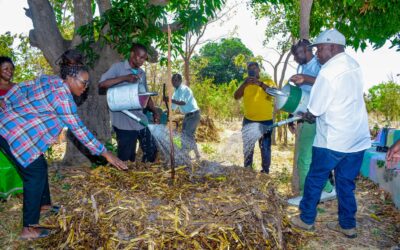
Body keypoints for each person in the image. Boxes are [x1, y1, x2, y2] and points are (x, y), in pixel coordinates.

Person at [0, 50, 127, 240]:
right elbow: (79, 130)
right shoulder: (63, 98)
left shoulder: (51, 80)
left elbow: (25, 86)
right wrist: (106, 153)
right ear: (70, 78)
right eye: (83, 83)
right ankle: (29, 228)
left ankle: (44, 205)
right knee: (34, 175)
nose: (85, 87)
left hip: (11, 125)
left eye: (87, 83)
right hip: (13, 133)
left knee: (40, 165)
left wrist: (5, 101)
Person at [290, 29, 371, 239]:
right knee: (345, 183)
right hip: (357, 140)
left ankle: (306, 219)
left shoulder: (327, 73)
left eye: (319, 48)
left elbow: (315, 110)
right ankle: (348, 225)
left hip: (333, 140)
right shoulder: (354, 65)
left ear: (333, 47)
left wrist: (305, 115)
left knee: (315, 179)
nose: (316, 53)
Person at [287, 40, 335, 206]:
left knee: (304, 158)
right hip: (307, 115)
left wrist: (305, 79)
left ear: (308, 50)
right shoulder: (302, 67)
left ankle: (304, 196)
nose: (296, 58)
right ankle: (328, 189)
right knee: (312, 157)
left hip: (316, 117)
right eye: (295, 55)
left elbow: (326, 83)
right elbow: (302, 94)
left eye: (299, 54)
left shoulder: (318, 65)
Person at [99, 43, 159, 163]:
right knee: (126, 158)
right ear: (132, 54)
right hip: (123, 123)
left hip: (140, 120)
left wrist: (155, 111)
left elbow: (145, 95)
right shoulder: (118, 68)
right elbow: (102, 84)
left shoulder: (141, 73)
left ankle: (145, 172)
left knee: (151, 150)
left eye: (144, 58)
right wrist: (125, 78)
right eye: (140, 57)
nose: (142, 61)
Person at [234, 62, 275, 173]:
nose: (252, 70)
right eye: (250, 69)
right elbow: (236, 96)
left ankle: (265, 171)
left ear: (259, 70)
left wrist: (260, 84)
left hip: (265, 121)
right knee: (248, 146)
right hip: (249, 120)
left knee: (265, 147)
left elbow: (274, 93)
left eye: (255, 68)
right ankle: (247, 169)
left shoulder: (268, 82)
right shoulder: (245, 84)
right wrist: (244, 84)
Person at [0, 56, 23, 200]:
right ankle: (3, 192)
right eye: (5, 69)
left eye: (11, 68)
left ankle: (19, 190)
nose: (10, 71)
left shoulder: (17, 87)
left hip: (15, 130)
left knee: (17, 159)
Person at [164, 73, 201, 159]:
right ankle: (196, 154)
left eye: (176, 80)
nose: (174, 82)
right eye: (172, 81)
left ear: (180, 81)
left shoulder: (185, 89)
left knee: (187, 134)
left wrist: (169, 99)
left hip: (194, 114)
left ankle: (185, 154)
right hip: (187, 116)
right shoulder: (176, 92)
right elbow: (173, 106)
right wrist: (166, 111)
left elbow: (182, 102)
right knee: (187, 135)